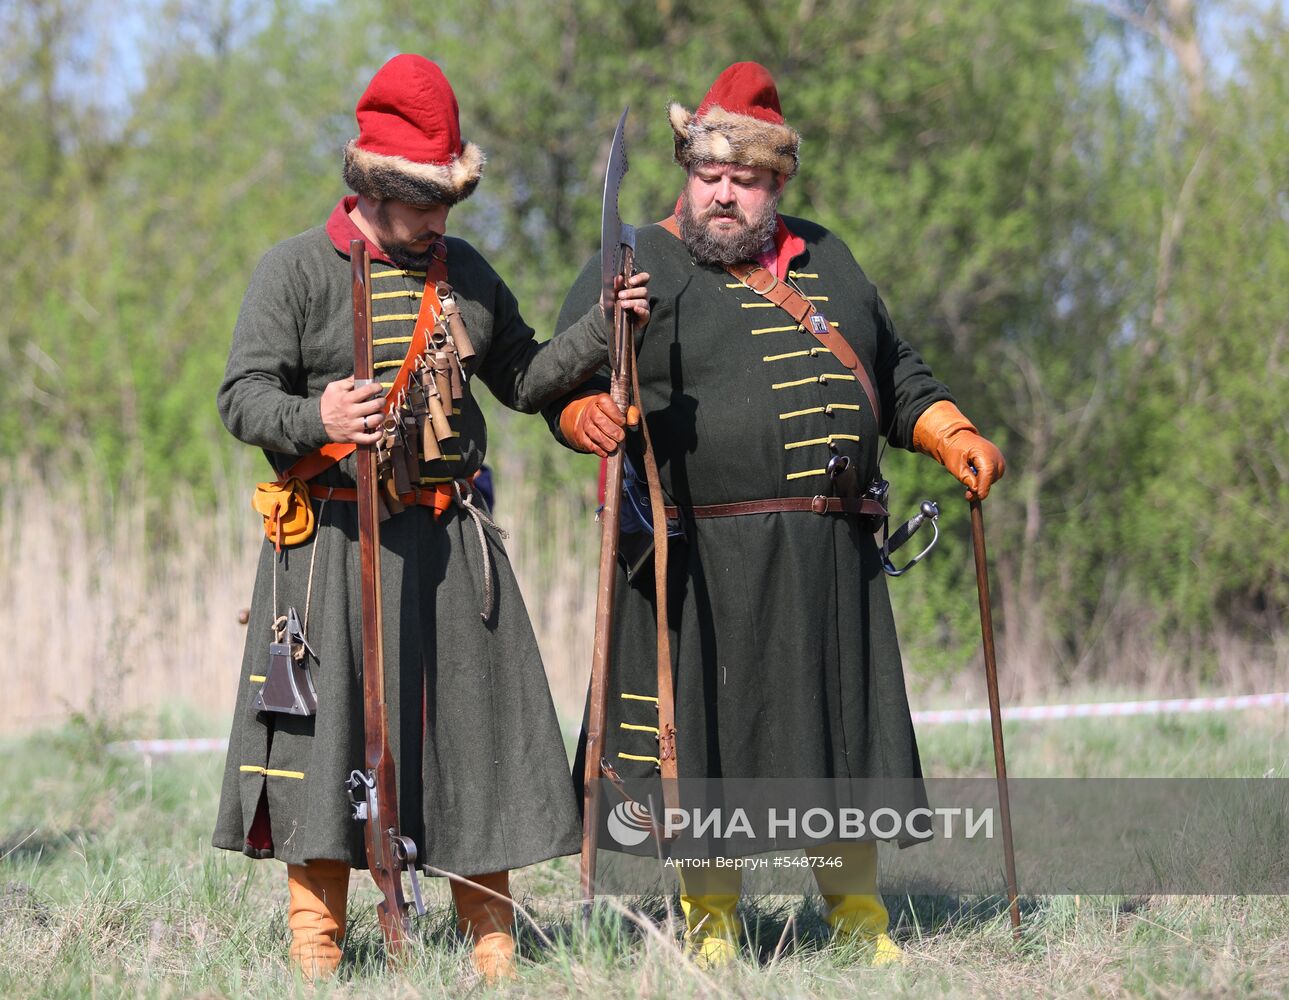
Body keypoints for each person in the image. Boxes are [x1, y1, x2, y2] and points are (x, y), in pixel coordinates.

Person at [547, 62, 1004, 967]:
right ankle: (712, 926)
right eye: (708, 174)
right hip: (699, 557)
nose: (722, 194)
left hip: (829, 547)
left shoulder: (828, 256)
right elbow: (558, 380)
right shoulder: (635, 260)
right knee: (706, 749)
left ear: (774, 184)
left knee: (836, 745)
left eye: (743, 179)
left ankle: (858, 920)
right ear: (688, 171)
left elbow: (894, 367)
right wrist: (582, 417)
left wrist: (950, 433)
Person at [211, 54, 649, 981]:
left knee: (474, 740)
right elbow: (244, 397)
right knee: (323, 738)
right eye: (421, 202)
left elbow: (527, 376)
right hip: (330, 543)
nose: (438, 221)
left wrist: (606, 324)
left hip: (452, 544)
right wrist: (316, 417)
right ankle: (317, 947)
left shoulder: (469, 272)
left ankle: (493, 943)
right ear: (375, 187)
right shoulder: (292, 269)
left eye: (447, 201)